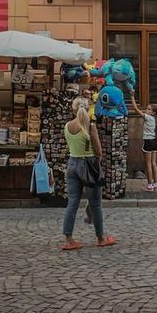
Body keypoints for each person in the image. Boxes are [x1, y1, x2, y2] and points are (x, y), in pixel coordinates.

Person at [61, 97, 116, 250]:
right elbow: (98, 150)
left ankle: (68, 239)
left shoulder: (67, 126)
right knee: (96, 204)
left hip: (72, 164)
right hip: (89, 165)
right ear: (87, 109)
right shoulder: (90, 126)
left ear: (73, 109)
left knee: (72, 203)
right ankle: (100, 238)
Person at [138, 105, 157, 191]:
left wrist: (132, 97)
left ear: (153, 112)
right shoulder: (155, 119)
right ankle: (156, 184)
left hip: (147, 141)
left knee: (148, 164)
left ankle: (150, 185)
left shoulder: (147, 117)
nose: (146, 110)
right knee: (153, 163)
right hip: (154, 141)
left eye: (149, 109)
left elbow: (136, 110)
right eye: (146, 108)